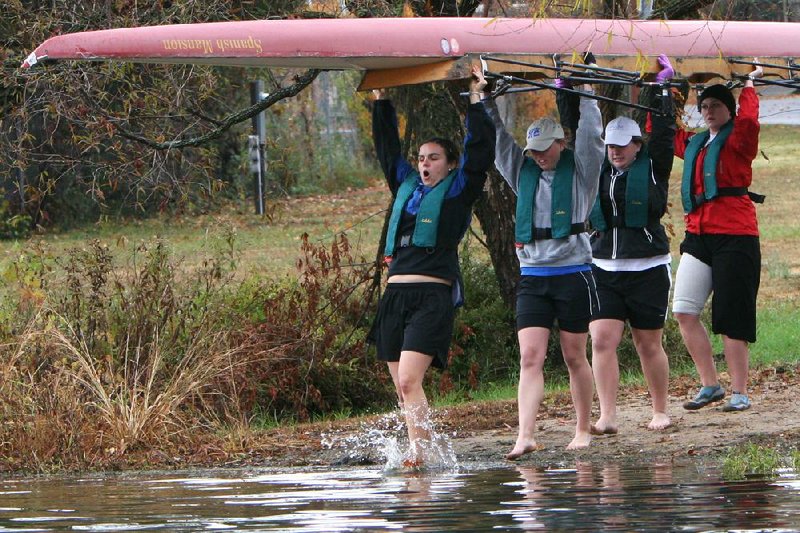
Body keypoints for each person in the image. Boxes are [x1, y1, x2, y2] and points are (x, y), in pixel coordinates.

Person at [369, 65, 496, 465]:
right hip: (395, 296)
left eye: (433, 158)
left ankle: (420, 456)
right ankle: (421, 453)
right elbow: (388, 153)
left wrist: (477, 100)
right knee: (403, 387)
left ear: (448, 163)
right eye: (421, 158)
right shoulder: (407, 187)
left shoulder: (458, 190)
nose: (424, 164)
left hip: (431, 295)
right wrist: (380, 99)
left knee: (409, 379)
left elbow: (479, 155)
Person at [484, 75, 604, 457]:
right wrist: (484, 99)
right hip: (533, 277)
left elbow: (591, 135)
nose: (538, 155)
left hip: (574, 274)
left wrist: (587, 93)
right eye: (533, 149)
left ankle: (583, 428)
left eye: (545, 149)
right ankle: (525, 434)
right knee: (530, 357)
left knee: (573, 355)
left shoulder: (583, 169)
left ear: (561, 144)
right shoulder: (522, 172)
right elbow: (498, 139)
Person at [588, 55, 676, 434]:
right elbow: (579, 129)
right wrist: (569, 90)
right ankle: (607, 415)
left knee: (647, 344)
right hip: (604, 266)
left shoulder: (654, 163)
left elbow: (666, 131)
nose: (615, 151)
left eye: (623, 145)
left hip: (647, 267)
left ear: (638, 145)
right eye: (611, 146)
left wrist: (661, 89)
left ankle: (660, 409)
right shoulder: (598, 166)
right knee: (602, 340)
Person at [673, 61, 764, 412]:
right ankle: (710, 385)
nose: (710, 111)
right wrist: (666, 89)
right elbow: (666, 132)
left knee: (731, 316)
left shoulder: (739, 139)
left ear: (730, 110)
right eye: (705, 107)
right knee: (683, 310)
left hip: (735, 235)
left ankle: (740, 391)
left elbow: (751, 121)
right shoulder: (696, 144)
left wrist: (749, 87)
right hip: (699, 234)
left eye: (717, 106)